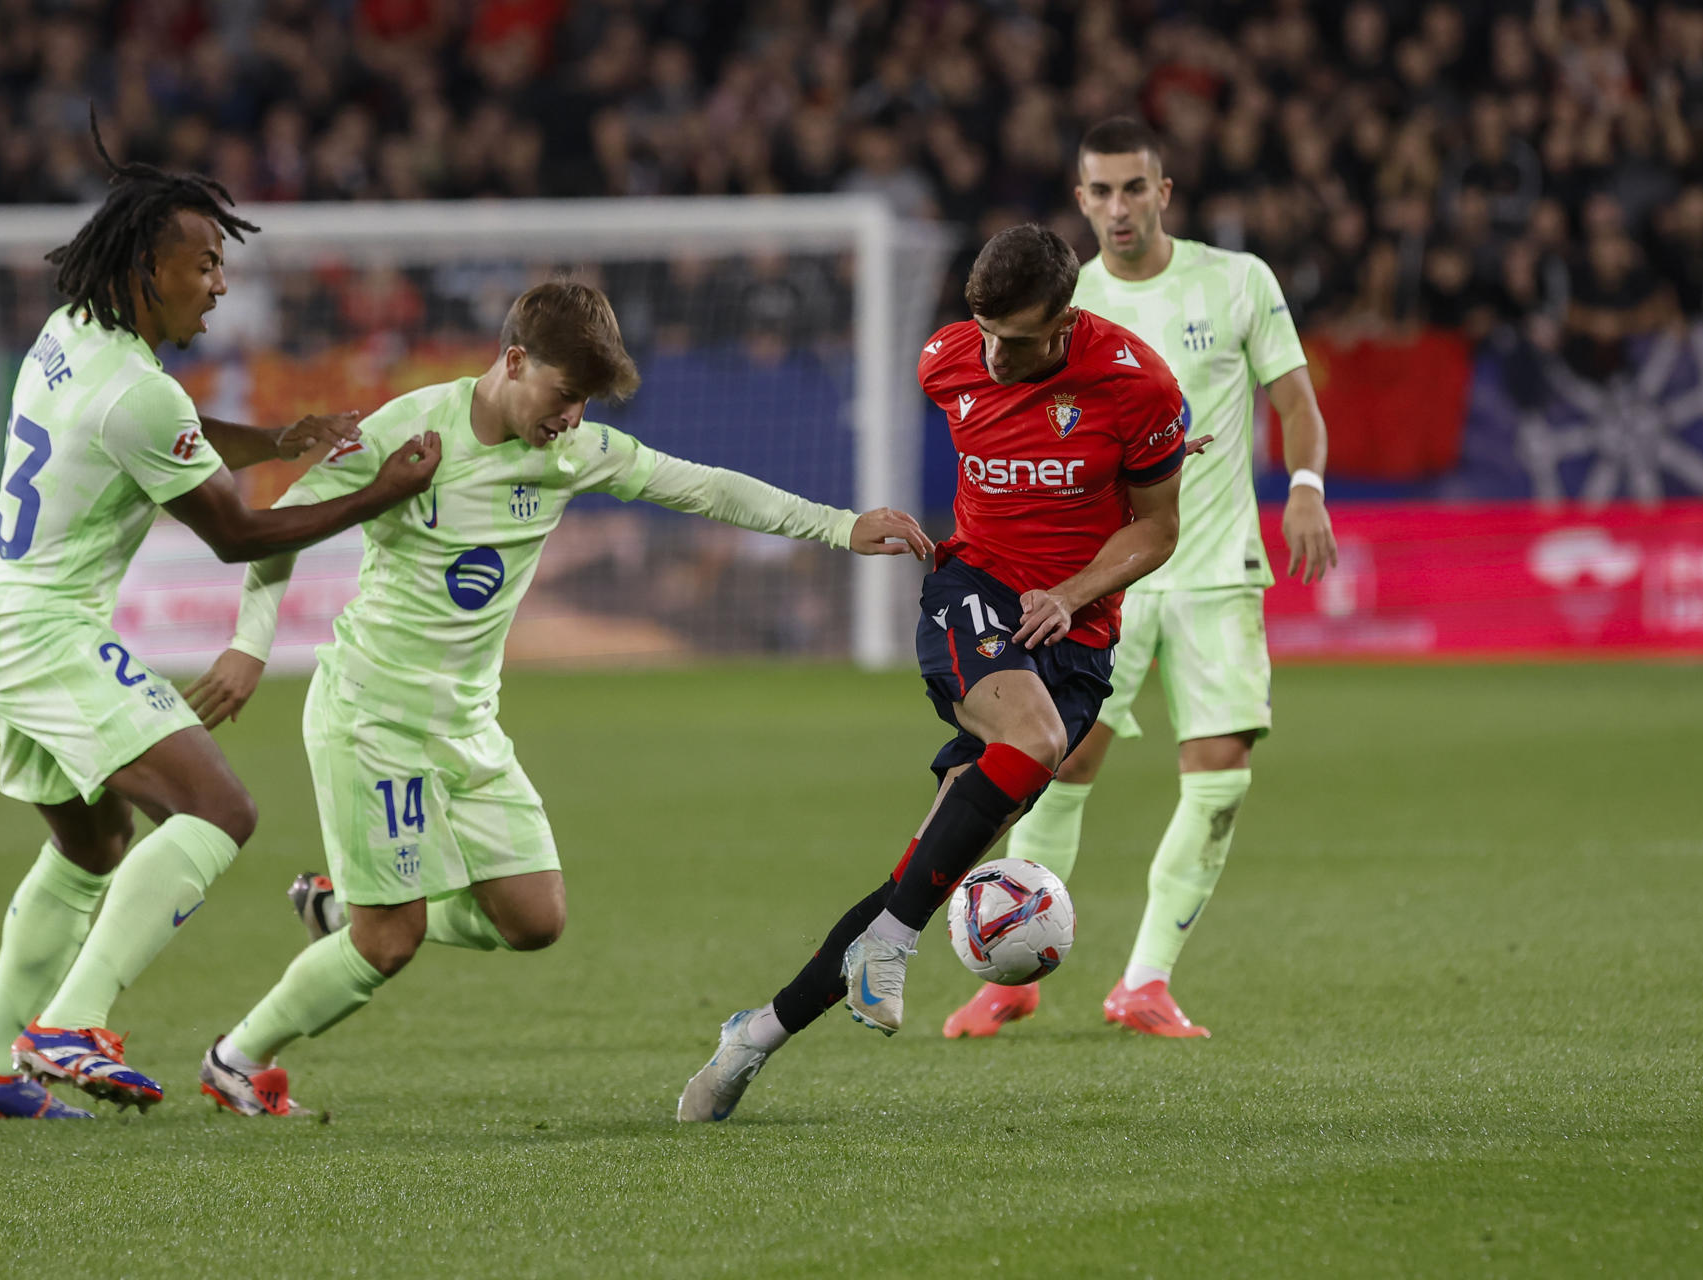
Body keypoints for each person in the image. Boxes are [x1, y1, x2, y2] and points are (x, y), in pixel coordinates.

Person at [183, 280, 934, 1116]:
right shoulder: (408, 428)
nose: (571, 417)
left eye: (583, 403)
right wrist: (249, 648)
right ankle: (236, 1057)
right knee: (387, 941)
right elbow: (279, 529)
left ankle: (339, 907)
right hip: (371, 718)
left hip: (466, 722)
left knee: (535, 919)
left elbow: (707, 486)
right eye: (563, 395)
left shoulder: (575, 453)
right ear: (512, 361)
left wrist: (838, 525)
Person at [0, 125, 440, 1122]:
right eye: (204, 260)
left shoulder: (73, 337)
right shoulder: (139, 389)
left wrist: (275, 439)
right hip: (45, 632)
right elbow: (239, 534)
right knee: (222, 812)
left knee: (94, 847)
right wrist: (379, 491)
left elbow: (173, 432)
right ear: (143, 264)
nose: (219, 281)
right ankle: (68, 1022)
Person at [678, 223, 1190, 1123]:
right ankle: (894, 944)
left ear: (1067, 320)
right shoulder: (945, 362)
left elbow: (1156, 530)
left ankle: (754, 1035)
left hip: (1073, 637)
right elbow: (975, 376)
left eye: (1019, 339)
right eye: (984, 330)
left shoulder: (1136, 386)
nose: (994, 355)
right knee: (1028, 745)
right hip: (974, 594)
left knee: (923, 874)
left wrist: (1071, 593)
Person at [941, 117, 1338, 1043]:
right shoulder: (1060, 305)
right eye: (1100, 191)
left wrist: (1307, 489)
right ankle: (1012, 974)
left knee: (1220, 773)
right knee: (1057, 764)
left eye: (1134, 188)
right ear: (1080, 200)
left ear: (1165, 192)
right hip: (1099, 577)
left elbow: (1294, 401)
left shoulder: (1237, 280)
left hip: (1213, 569)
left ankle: (1146, 981)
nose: (1118, 207)